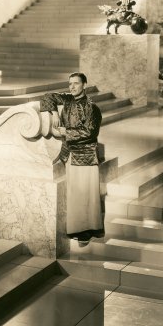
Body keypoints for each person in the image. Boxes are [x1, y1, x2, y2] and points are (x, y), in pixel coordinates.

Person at [40, 72, 104, 245]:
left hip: (85, 155)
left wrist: (65, 132)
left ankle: (87, 230)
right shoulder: (67, 100)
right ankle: (76, 228)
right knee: (76, 193)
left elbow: (90, 133)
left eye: (76, 83)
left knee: (86, 194)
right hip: (69, 153)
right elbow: (47, 97)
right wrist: (54, 112)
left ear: (84, 85)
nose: (72, 87)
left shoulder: (92, 107)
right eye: (70, 84)